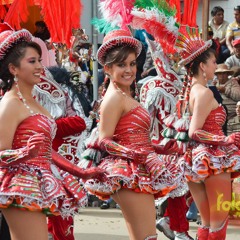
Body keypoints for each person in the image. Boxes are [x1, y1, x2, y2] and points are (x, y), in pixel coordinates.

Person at [0, 23, 105, 240]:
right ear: (13, 69)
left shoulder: (35, 103)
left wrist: (80, 172)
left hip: (39, 183)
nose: (40, 66)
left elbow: (46, 153)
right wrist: (24, 154)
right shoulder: (10, 103)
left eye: (39, 60)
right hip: (19, 186)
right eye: (32, 61)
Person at [84, 29, 184, 240]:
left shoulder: (123, 94)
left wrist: (158, 148)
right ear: (107, 69)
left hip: (138, 167)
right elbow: (104, 142)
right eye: (121, 65)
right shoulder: (114, 99)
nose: (129, 70)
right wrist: (135, 154)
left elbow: (132, 136)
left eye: (132, 64)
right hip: (127, 172)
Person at [176, 25, 240, 239]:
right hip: (213, 159)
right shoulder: (203, 93)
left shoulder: (189, 93)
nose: (216, 66)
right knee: (218, 223)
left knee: (206, 222)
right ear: (202, 66)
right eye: (213, 62)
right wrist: (225, 138)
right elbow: (194, 131)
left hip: (196, 159)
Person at [214, 64, 240, 135]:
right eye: (219, 73)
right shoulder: (215, 84)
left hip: (232, 115)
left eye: (224, 73)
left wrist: (225, 90)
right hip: (218, 116)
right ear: (216, 75)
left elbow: (238, 96)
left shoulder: (233, 83)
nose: (222, 76)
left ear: (227, 74)